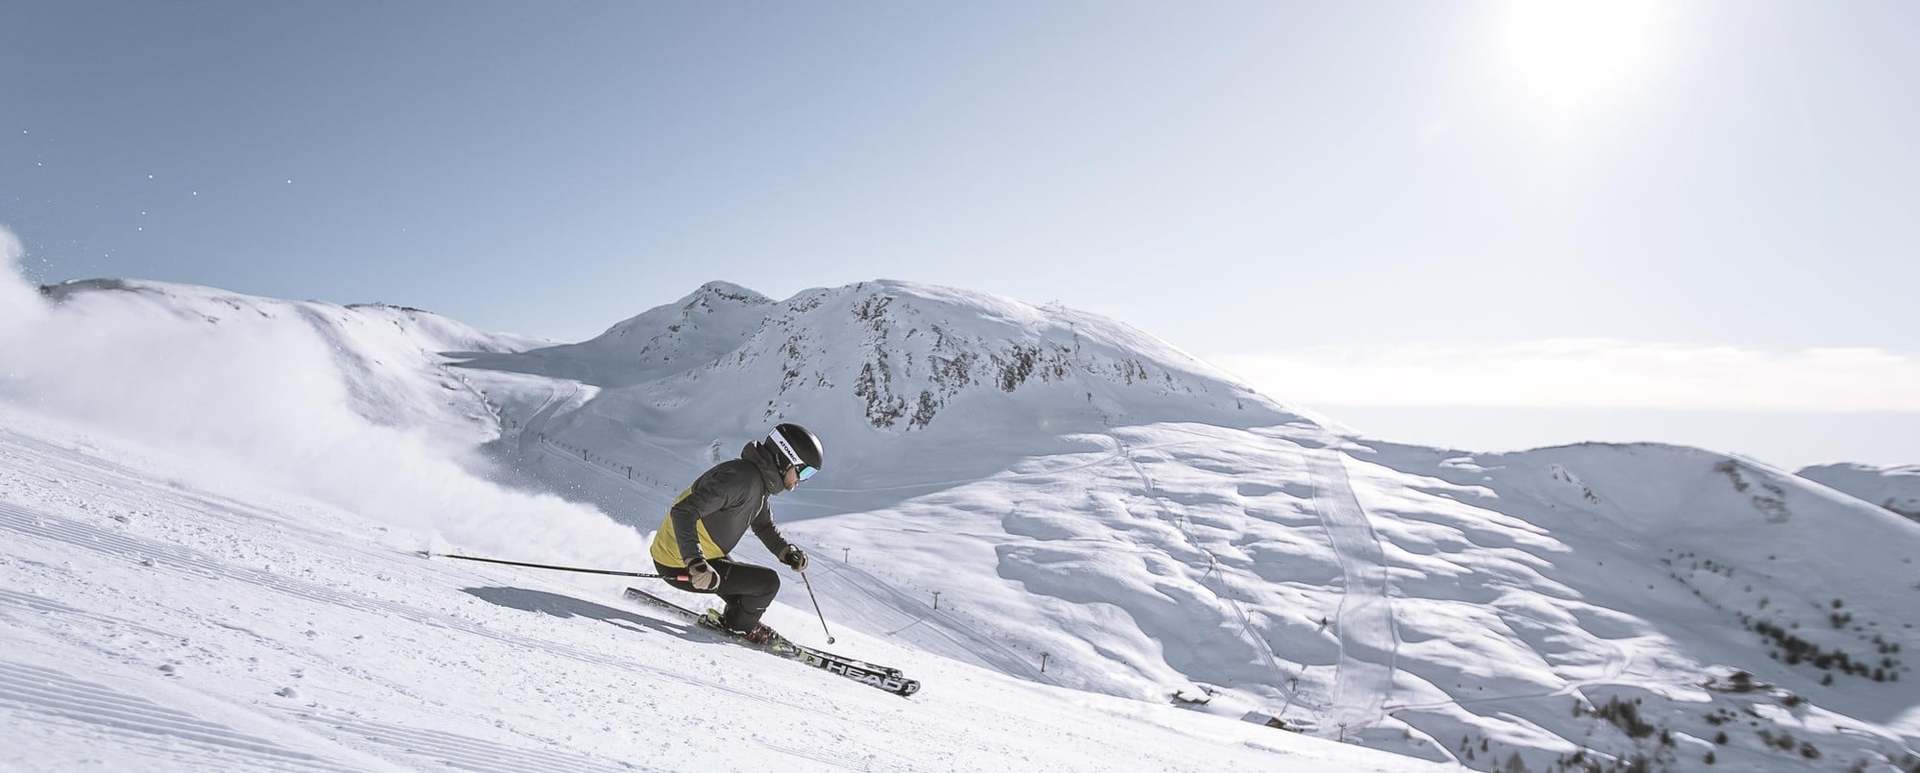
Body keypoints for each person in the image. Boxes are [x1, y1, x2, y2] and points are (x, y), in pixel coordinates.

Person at [650, 422, 821, 644]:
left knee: (748, 593)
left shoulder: (757, 485)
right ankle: (735, 628)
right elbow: (683, 511)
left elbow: (764, 526)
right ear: (785, 459)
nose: (802, 481)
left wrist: (786, 552)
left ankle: (739, 620)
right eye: (804, 472)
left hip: (700, 557)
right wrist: (696, 562)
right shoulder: (740, 480)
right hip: (680, 563)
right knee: (767, 584)